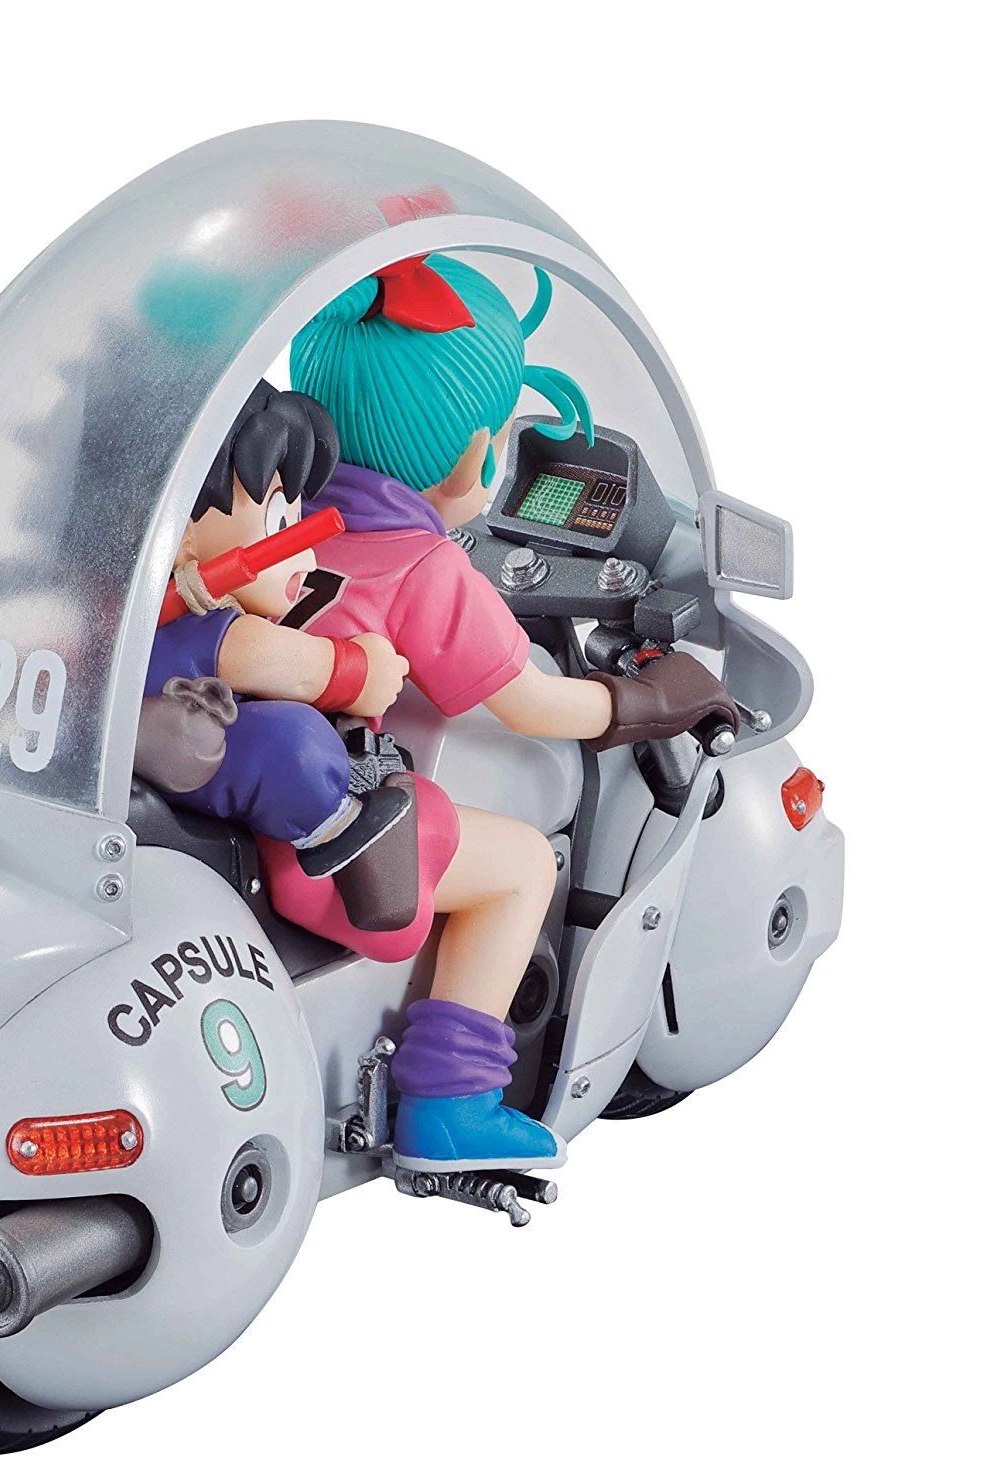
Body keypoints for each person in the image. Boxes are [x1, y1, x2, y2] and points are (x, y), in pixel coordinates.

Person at [279, 253, 742, 1170]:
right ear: (480, 455)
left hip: (263, 801)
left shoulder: (277, 521)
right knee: (523, 863)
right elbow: (532, 706)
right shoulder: (424, 566)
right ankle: (452, 1106)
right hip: (337, 845)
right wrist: (650, 700)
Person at [136, 384, 419, 925]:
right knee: (295, 739)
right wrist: (365, 670)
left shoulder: (131, 615)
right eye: (280, 524)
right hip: (182, 759)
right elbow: (296, 667)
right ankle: (335, 828)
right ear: (183, 539)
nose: (306, 558)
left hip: (153, 749)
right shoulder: (216, 631)